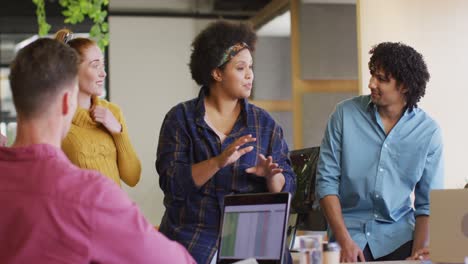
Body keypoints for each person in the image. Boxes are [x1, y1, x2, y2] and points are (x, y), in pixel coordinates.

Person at [0, 38, 195, 263]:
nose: (102, 72)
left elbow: (132, 174)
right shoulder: (91, 195)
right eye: (95, 65)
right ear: (67, 102)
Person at [156, 20, 296, 264]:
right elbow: (172, 184)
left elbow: (288, 185)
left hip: (254, 241)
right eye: (241, 68)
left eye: (251, 67)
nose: (250, 75)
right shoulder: (180, 119)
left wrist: (273, 177)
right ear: (217, 72)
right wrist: (218, 162)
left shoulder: (265, 124)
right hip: (193, 239)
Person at [316, 42, 444, 262]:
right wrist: (344, 240)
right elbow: (326, 182)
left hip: (399, 237)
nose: (372, 83)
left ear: (404, 86)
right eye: (372, 75)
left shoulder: (428, 133)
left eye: (382, 79)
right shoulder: (344, 115)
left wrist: (418, 255)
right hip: (348, 235)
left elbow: (427, 205)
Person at [56, 29, 141, 187]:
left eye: (103, 65)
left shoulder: (113, 112)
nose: (103, 73)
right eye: (95, 66)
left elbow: (133, 177)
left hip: (117, 210)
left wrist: (117, 131)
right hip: (78, 211)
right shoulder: (57, 120)